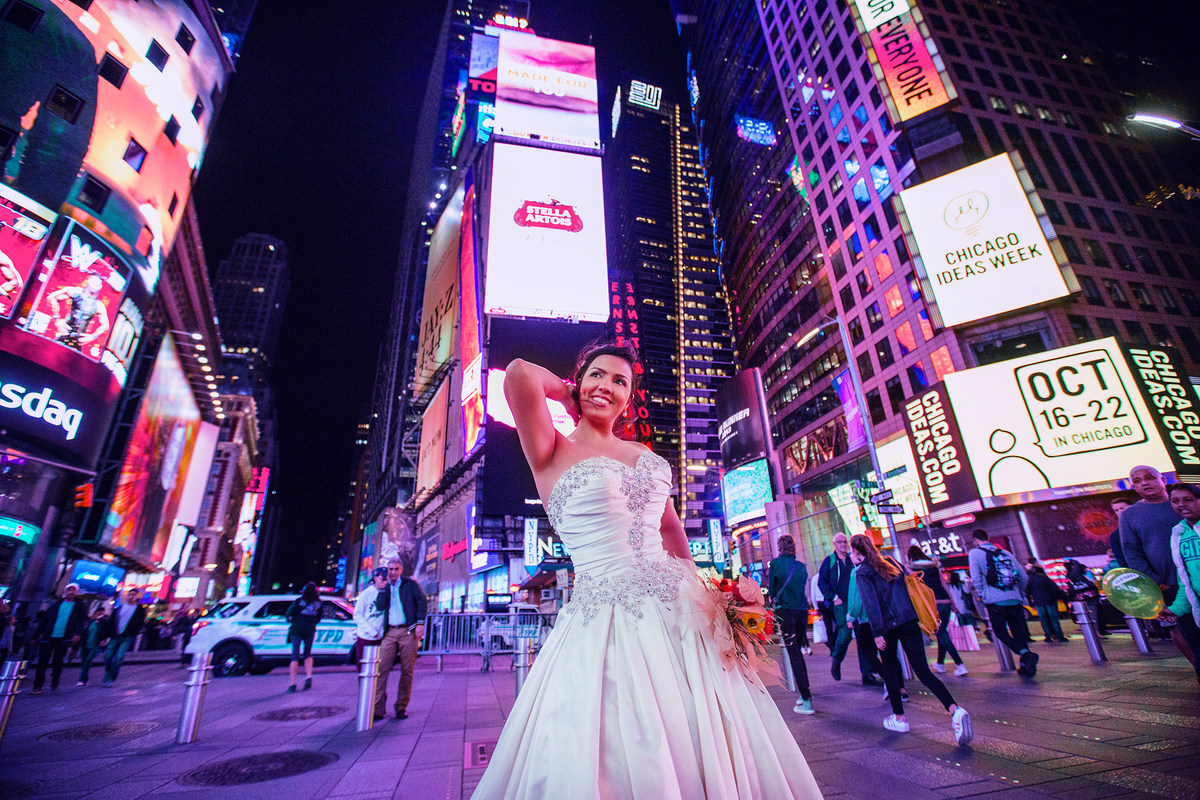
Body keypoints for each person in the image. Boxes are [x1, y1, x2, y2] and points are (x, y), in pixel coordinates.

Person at [472, 343, 822, 798]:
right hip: (605, 621)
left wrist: (707, 594)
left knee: (712, 728)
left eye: (620, 382)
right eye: (598, 375)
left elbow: (671, 529)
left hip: (683, 613)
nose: (607, 387)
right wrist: (568, 393)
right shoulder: (551, 448)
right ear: (579, 380)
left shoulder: (643, 452)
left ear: (630, 397)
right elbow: (519, 372)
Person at [850, 534, 972, 744]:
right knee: (923, 671)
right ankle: (954, 709)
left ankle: (899, 718)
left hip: (887, 626)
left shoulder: (863, 572)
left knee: (889, 669)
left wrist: (877, 632)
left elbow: (871, 604)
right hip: (909, 620)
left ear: (855, 551)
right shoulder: (891, 562)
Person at [1119, 466, 1200, 666]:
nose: (1144, 483)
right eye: (1137, 481)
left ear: (1163, 480)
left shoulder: (1183, 503)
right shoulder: (1129, 515)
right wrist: (1155, 582)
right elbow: (1132, 552)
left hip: (1196, 577)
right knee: (1184, 630)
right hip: (1169, 585)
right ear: (1133, 487)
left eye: (1149, 478)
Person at [968, 529, 1038, 677]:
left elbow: (976, 578)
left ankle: (1026, 654)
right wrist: (1020, 593)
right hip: (1014, 599)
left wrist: (983, 595)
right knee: (1019, 632)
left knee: (1000, 632)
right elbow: (1023, 576)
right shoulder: (1005, 553)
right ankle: (1026, 667)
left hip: (995, 600)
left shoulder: (975, 553)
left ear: (976, 540)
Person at [819, 532, 882, 685]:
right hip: (841, 604)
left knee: (863, 638)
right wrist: (834, 598)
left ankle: (867, 674)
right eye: (840, 542)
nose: (843, 544)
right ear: (834, 544)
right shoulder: (830, 561)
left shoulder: (852, 559)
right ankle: (837, 658)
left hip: (858, 601)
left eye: (845, 541)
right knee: (845, 634)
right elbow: (822, 582)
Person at [375, 557, 427, 720]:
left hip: (407, 631)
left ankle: (401, 706)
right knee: (381, 669)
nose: (393, 572)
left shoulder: (409, 584)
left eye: (396, 569)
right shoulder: (385, 587)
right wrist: (381, 590)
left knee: (407, 670)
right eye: (390, 569)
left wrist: (420, 623)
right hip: (390, 632)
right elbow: (380, 606)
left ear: (401, 570)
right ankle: (378, 708)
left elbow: (422, 602)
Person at [767, 534, 814, 714]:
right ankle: (804, 694)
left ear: (779, 548)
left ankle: (806, 698)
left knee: (794, 654)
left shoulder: (776, 564)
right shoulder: (800, 566)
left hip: (785, 612)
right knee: (798, 653)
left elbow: (772, 590)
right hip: (802, 612)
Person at [907, 545, 967, 675]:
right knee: (941, 632)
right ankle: (940, 664)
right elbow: (944, 585)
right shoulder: (933, 567)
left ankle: (960, 664)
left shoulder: (912, 569)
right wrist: (953, 603)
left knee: (941, 633)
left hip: (932, 605)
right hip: (945, 602)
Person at [1165, 483, 1200, 683]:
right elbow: (1184, 580)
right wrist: (1176, 609)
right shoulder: (1179, 532)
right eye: (1175, 501)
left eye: (1188, 499)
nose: (1181, 505)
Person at [31, 584, 87, 694]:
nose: (71, 592)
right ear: (65, 591)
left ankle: (55, 680)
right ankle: (37, 686)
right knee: (42, 662)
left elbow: (81, 622)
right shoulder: (55, 605)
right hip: (49, 636)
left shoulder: (79, 607)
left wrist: (77, 634)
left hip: (64, 638)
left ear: (76, 592)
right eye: (69, 590)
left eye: (73, 590)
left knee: (57, 661)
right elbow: (44, 621)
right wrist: (35, 636)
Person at [100, 587, 146, 686]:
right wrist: (105, 636)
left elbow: (140, 623)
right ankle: (108, 673)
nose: (131, 596)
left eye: (134, 595)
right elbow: (111, 622)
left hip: (127, 637)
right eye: (130, 594)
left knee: (119, 657)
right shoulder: (120, 608)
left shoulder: (139, 610)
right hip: (115, 635)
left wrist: (133, 632)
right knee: (107, 656)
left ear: (137, 597)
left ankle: (111, 677)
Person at [285, 583, 323, 692]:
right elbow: (319, 617)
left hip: (297, 629)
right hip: (310, 629)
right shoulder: (319, 603)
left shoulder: (299, 601)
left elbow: (288, 614)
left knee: (295, 656)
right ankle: (308, 677)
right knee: (307, 653)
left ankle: (293, 684)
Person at [354, 567, 389, 665]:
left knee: (378, 667)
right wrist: (372, 632)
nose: (384, 581)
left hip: (382, 638)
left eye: (386, 578)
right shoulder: (366, 594)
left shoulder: (388, 593)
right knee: (364, 666)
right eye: (381, 578)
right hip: (366, 637)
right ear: (375, 578)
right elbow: (357, 615)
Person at [1026, 564, 1069, 642]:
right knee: (1053, 619)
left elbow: (1027, 592)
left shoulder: (1030, 580)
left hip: (1038, 602)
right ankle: (1060, 636)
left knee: (1043, 620)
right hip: (1049, 601)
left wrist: (1030, 602)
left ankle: (1048, 636)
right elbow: (1054, 588)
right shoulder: (1045, 578)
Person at [77, 607, 110, 685]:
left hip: (96, 645)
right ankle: (84, 679)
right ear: (95, 613)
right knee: (84, 662)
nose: (100, 615)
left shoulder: (104, 622)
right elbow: (84, 632)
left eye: (102, 614)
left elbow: (107, 632)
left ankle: (81, 679)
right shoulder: (89, 622)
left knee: (88, 660)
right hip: (85, 644)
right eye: (99, 613)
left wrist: (104, 640)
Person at [1108, 495, 1135, 568]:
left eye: (1122, 508)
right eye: (1116, 510)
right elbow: (1122, 561)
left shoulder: (1145, 525)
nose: (1119, 512)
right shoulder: (1115, 536)